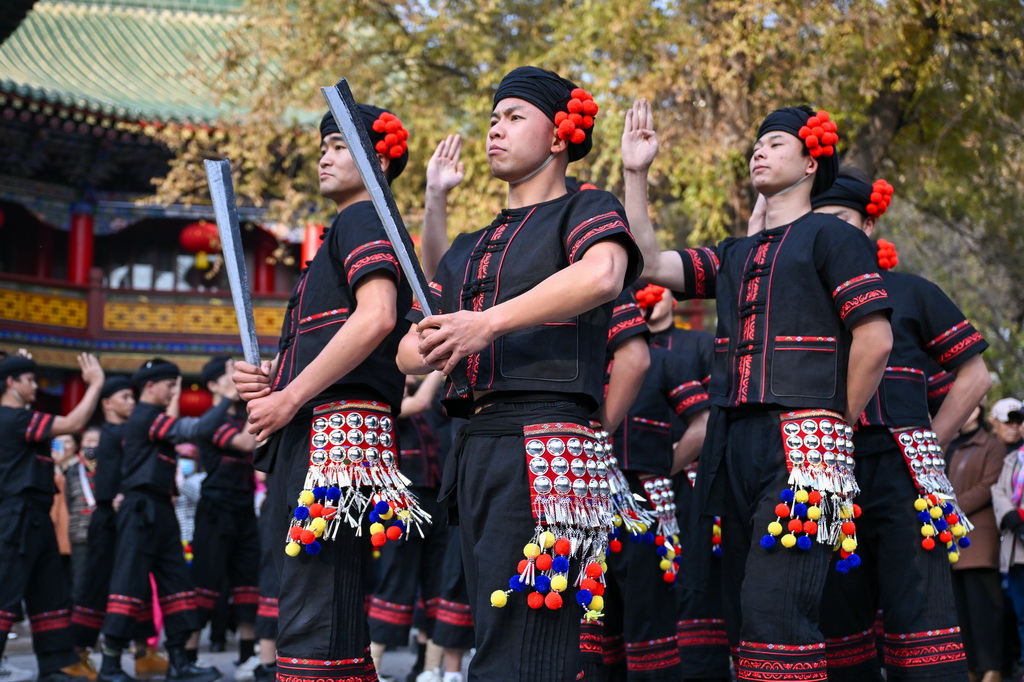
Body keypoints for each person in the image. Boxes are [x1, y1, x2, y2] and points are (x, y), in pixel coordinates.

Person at [621, 98, 894, 678]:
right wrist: (635, 174)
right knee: (742, 614)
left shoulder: (832, 237)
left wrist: (835, 423)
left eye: (774, 143)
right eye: (756, 145)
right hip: (732, 443)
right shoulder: (735, 252)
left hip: (804, 440)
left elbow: (875, 341)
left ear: (811, 161)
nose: (758, 152)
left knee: (778, 613)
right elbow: (647, 263)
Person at [397, 65, 642, 681]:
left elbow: (603, 274)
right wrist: (435, 338)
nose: (495, 130)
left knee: (529, 644)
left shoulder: (586, 208)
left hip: (548, 439)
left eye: (513, 117)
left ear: (559, 135)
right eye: (492, 119)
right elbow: (406, 352)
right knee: (494, 628)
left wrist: (485, 324)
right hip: (476, 442)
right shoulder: (468, 246)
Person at [232, 103, 415, 682]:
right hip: (327, 427)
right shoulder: (351, 227)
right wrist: (275, 379)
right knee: (321, 598)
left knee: (315, 603)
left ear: (377, 162)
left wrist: (289, 397)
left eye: (339, 146)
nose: (324, 159)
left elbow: (377, 316)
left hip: (331, 433)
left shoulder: (362, 217)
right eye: (323, 149)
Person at [808, 169, 990, 679]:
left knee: (920, 610)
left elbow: (975, 375)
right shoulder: (804, 302)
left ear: (868, 225)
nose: (829, 234)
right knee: (837, 614)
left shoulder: (910, 291)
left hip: (902, 466)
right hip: (824, 468)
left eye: (841, 220)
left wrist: (932, 438)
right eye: (818, 224)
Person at [98, 359, 229, 682]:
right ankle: (110, 666)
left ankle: (179, 662)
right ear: (150, 386)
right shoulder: (145, 416)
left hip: (161, 509)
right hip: (140, 510)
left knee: (177, 584)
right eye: (170, 385)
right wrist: (226, 397)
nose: (173, 392)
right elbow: (197, 430)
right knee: (128, 584)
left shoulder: (152, 417)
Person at [0, 351, 105, 682]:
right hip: (15, 517)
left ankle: (55, 666)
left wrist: (18, 361)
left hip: (36, 517)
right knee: (6, 592)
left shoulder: (20, 418)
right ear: (11, 383)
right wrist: (95, 384)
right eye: (30, 380)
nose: (35, 386)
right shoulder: (12, 418)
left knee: (49, 593)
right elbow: (71, 424)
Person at [71, 377, 165, 678]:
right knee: (96, 585)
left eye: (132, 397)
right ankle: (79, 655)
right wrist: (113, 497)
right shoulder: (107, 434)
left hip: (129, 517)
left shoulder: (131, 432)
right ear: (107, 403)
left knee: (137, 585)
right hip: (107, 520)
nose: (131, 402)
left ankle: (143, 652)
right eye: (125, 397)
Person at [187, 357, 258, 676]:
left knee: (247, 583)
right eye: (231, 374)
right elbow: (245, 442)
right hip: (215, 510)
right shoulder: (211, 420)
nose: (237, 378)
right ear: (213, 384)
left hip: (243, 507)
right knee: (206, 582)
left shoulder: (240, 416)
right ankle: (188, 658)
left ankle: (247, 656)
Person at [946, 403, 1006, 682]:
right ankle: (968, 668)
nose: (965, 410)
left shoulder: (991, 445)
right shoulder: (947, 443)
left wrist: (948, 510)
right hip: (949, 542)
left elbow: (988, 486)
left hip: (978, 540)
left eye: (971, 405)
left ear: (979, 410)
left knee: (985, 609)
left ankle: (992, 668)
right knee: (960, 611)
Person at [992, 403, 1024, 679]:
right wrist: (1012, 517)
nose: (1019, 426)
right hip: (1017, 550)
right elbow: (999, 489)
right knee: (1021, 613)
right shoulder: (1013, 459)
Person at [66, 427, 101, 601]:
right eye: (88, 441)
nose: (91, 445)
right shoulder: (72, 470)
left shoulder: (110, 467)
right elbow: (68, 502)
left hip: (105, 531)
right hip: (79, 532)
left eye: (96, 441)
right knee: (80, 577)